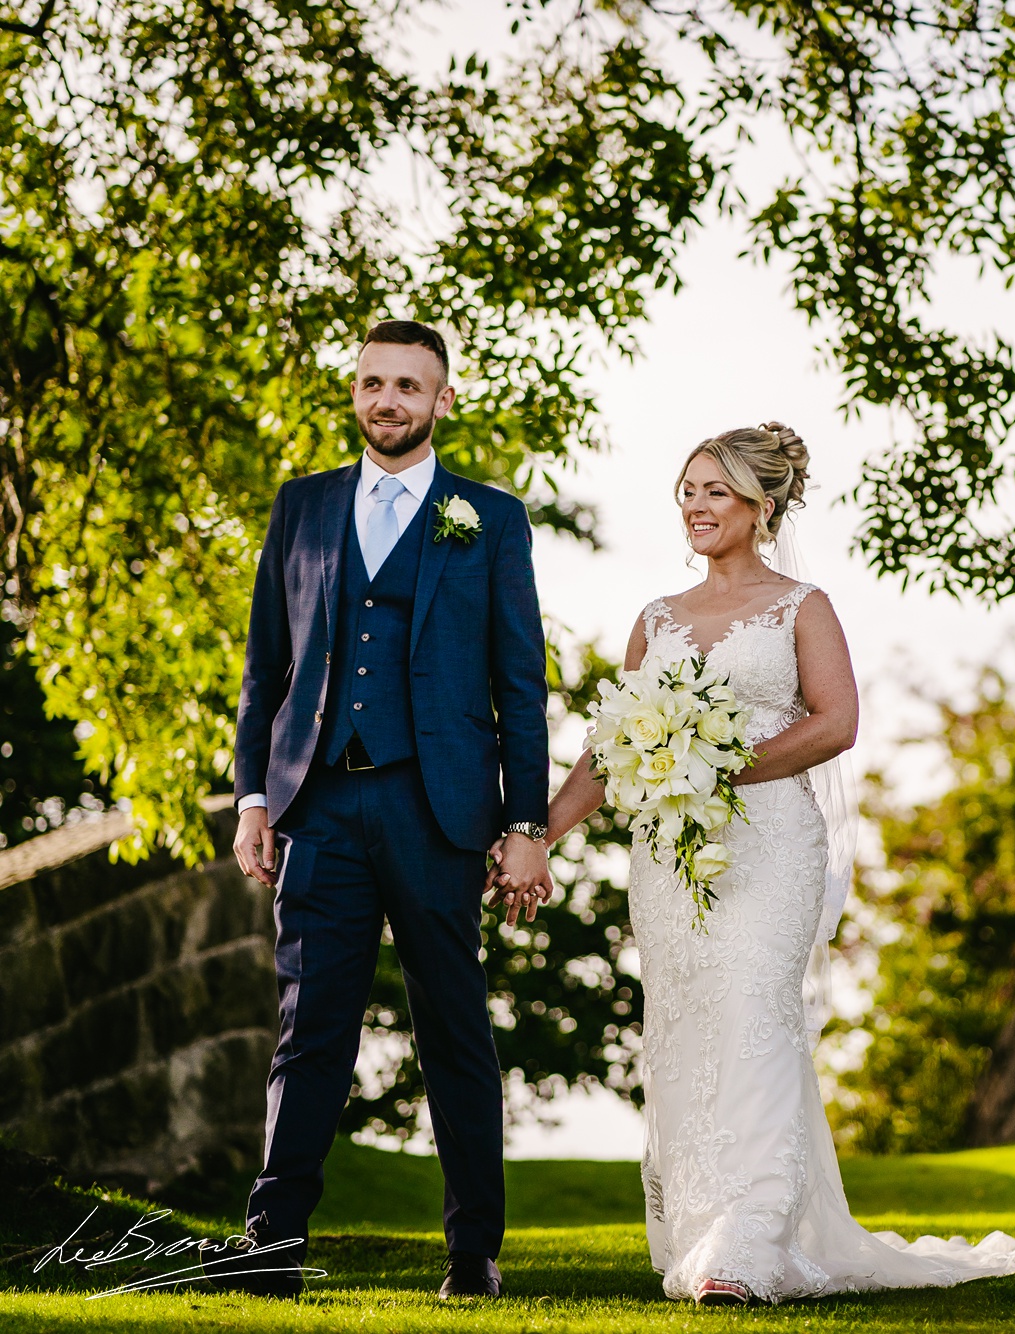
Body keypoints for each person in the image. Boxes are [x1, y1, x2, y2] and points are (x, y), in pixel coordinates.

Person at [493, 423, 1015, 1304]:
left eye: (715, 492)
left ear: (762, 506)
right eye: (687, 490)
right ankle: (703, 1224)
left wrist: (722, 762)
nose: (696, 506)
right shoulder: (656, 619)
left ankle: (747, 1241)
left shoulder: (803, 606)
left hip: (771, 846)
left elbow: (836, 722)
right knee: (686, 1028)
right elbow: (609, 753)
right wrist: (538, 833)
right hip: (671, 859)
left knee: (756, 1012)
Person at [213, 319, 554, 1300]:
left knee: (453, 1031)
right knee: (309, 1030)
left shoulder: (488, 517)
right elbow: (264, 667)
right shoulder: (303, 506)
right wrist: (251, 796)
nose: (387, 399)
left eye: (409, 384)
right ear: (355, 392)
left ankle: (472, 1253)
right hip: (316, 807)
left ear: (443, 399)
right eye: (372, 382)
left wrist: (524, 823)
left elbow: (518, 681)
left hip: (438, 809)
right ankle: (272, 1243)